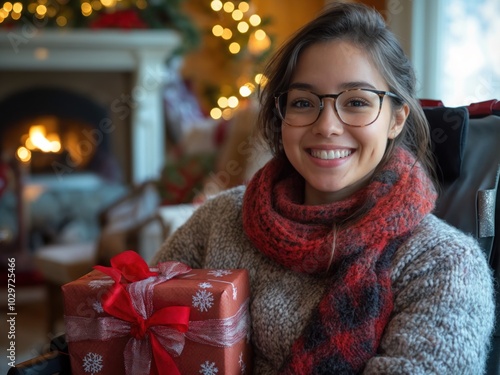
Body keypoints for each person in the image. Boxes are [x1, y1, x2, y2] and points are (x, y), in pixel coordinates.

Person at [153, 2, 495, 374]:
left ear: (397, 119)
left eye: (357, 102)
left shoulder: (444, 264)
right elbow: (134, 329)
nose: (327, 125)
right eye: (303, 102)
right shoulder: (217, 220)